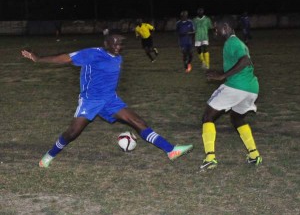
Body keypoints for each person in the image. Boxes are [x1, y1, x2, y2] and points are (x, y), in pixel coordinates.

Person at [21, 35, 193, 168]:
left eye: (121, 44)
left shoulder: (118, 58)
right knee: (72, 133)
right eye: (115, 43)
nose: (119, 47)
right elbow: (64, 58)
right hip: (90, 101)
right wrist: (38, 58)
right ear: (107, 43)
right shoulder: (93, 53)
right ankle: (49, 156)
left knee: (138, 122)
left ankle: (170, 150)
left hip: (110, 100)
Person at [199, 16, 262, 170]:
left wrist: (222, 76)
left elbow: (245, 60)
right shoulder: (236, 43)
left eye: (216, 28)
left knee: (208, 117)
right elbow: (239, 66)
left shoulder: (232, 42)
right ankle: (254, 155)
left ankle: (210, 158)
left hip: (237, 87)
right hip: (251, 88)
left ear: (225, 27)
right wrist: (220, 72)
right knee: (237, 119)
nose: (215, 31)